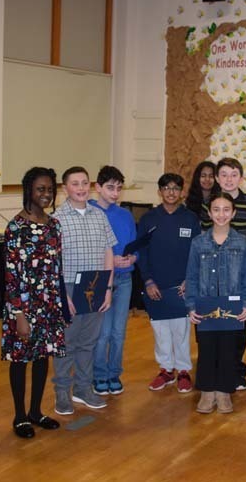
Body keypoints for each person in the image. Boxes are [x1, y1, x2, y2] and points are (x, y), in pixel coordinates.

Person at [2, 167, 65, 439]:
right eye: (40, 189)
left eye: (50, 189)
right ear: (28, 190)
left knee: (42, 357)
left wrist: (60, 302)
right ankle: (19, 416)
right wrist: (19, 314)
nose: (46, 194)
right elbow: (11, 275)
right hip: (23, 307)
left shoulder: (54, 224)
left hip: (49, 304)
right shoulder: (16, 227)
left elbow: (56, 268)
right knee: (20, 359)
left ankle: (36, 411)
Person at [52, 167, 116, 415]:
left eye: (84, 183)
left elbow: (108, 251)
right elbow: (53, 260)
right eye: (74, 183)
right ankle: (62, 392)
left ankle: (83, 388)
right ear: (64, 188)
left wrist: (108, 288)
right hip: (68, 286)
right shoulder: (57, 219)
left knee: (88, 342)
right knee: (66, 343)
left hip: (96, 284)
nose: (80, 188)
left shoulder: (99, 216)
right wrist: (61, 294)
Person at [185, 192, 246, 414]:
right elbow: (192, 276)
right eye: (216, 209)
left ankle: (224, 392)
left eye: (226, 210)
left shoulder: (242, 243)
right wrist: (191, 306)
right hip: (204, 307)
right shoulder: (198, 243)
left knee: (228, 349)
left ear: (233, 213)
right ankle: (207, 392)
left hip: (231, 308)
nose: (221, 214)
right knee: (206, 348)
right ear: (209, 212)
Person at [200, 158, 246, 390]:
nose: (228, 179)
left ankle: (235, 370)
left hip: (239, 273)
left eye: (233, 174)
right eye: (223, 174)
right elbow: (203, 236)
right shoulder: (210, 203)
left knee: (238, 323)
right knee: (212, 320)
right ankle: (212, 370)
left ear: (241, 177)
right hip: (212, 273)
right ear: (217, 178)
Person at [137, 173, 201, 393]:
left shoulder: (191, 218)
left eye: (176, 188)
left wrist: (189, 279)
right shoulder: (148, 219)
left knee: (181, 331)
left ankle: (183, 371)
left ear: (182, 192)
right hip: (155, 286)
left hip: (181, 287)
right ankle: (166, 370)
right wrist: (148, 280)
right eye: (166, 188)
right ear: (159, 191)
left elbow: (196, 252)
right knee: (160, 331)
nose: (171, 192)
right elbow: (141, 252)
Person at [90, 166, 137, 396]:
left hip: (125, 278)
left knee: (119, 331)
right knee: (103, 332)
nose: (115, 193)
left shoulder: (125, 215)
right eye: (110, 187)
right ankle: (98, 374)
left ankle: (113, 373)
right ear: (98, 187)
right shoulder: (90, 212)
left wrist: (131, 257)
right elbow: (87, 249)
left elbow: (135, 246)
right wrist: (110, 260)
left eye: (119, 188)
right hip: (100, 279)